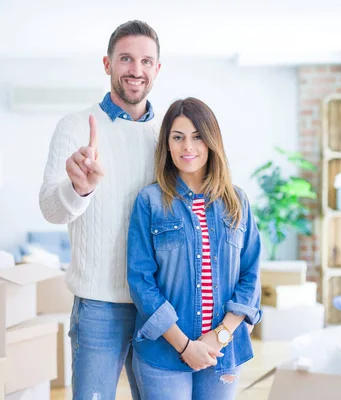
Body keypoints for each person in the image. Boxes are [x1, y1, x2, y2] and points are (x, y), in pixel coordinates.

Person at [39, 20, 161, 400]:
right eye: (126, 59)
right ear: (107, 64)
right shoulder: (76, 126)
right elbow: (50, 210)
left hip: (157, 306)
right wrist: (79, 188)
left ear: (157, 69)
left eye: (145, 61)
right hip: (98, 306)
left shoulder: (169, 136)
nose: (135, 70)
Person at [126, 97, 262, 399]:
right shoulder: (149, 202)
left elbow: (251, 273)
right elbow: (141, 281)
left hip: (223, 353)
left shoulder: (237, 201)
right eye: (178, 137)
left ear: (211, 141)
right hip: (163, 354)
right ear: (167, 144)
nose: (188, 147)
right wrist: (186, 346)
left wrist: (220, 336)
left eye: (198, 136)